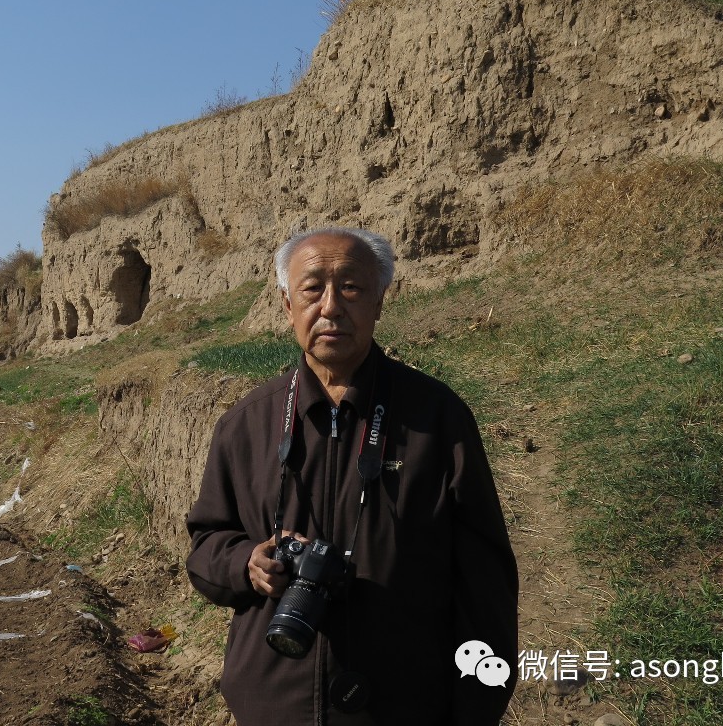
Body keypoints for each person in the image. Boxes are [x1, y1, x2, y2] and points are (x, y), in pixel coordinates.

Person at [186, 227, 518, 725]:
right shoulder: (248, 423)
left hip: (403, 707)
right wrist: (246, 563)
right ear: (286, 304)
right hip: (274, 706)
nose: (331, 307)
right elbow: (205, 544)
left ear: (381, 300)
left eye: (352, 288)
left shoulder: (436, 419)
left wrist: (476, 709)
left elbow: (485, 586)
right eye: (312, 288)